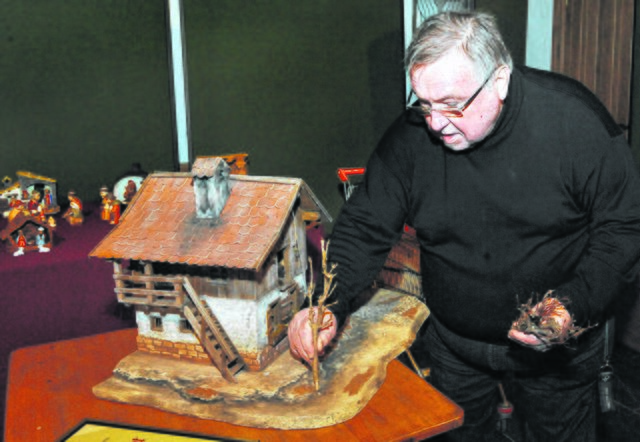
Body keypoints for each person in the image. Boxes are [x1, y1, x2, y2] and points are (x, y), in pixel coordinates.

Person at [288, 11, 640, 442]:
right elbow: (363, 226)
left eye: (452, 105)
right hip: (456, 347)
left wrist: (573, 303)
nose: (435, 123)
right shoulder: (413, 136)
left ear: (500, 80)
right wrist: (327, 302)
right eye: (425, 103)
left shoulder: (575, 123)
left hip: (558, 354)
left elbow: (622, 231)